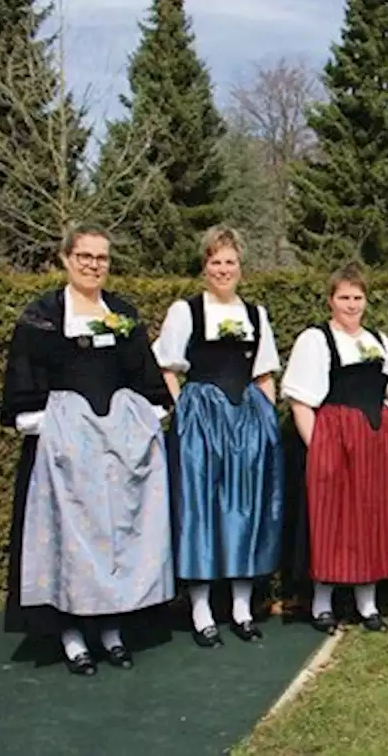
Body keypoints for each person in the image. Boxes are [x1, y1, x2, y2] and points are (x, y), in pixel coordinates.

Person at [0, 227, 174, 675]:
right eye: (85, 256)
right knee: (70, 542)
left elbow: (145, 381)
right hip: (63, 455)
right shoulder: (40, 318)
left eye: (102, 258)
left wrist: (141, 420)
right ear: (65, 258)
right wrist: (52, 424)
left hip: (115, 455)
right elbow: (24, 384)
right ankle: (72, 634)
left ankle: (111, 629)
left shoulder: (123, 314)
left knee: (115, 538)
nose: (94, 264)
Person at [153, 226, 283, 647]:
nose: (223, 269)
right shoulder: (185, 311)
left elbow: (264, 373)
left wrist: (266, 420)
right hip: (202, 422)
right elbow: (167, 366)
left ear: (240, 267)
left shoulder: (255, 313)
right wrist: (185, 408)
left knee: (246, 508)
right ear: (204, 266)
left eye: (230, 262)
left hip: (247, 421)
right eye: (215, 262)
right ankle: (202, 608)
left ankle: (242, 608)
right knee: (201, 508)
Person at [281, 263, 388, 634]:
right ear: (330, 300)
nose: (351, 305)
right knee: (331, 518)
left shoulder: (379, 341)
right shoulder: (316, 340)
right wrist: (318, 447)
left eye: (357, 297)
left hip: (375, 441)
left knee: (372, 517)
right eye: (344, 298)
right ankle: (322, 603)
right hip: (335, 438)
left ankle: (367, 604)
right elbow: (301, 401)